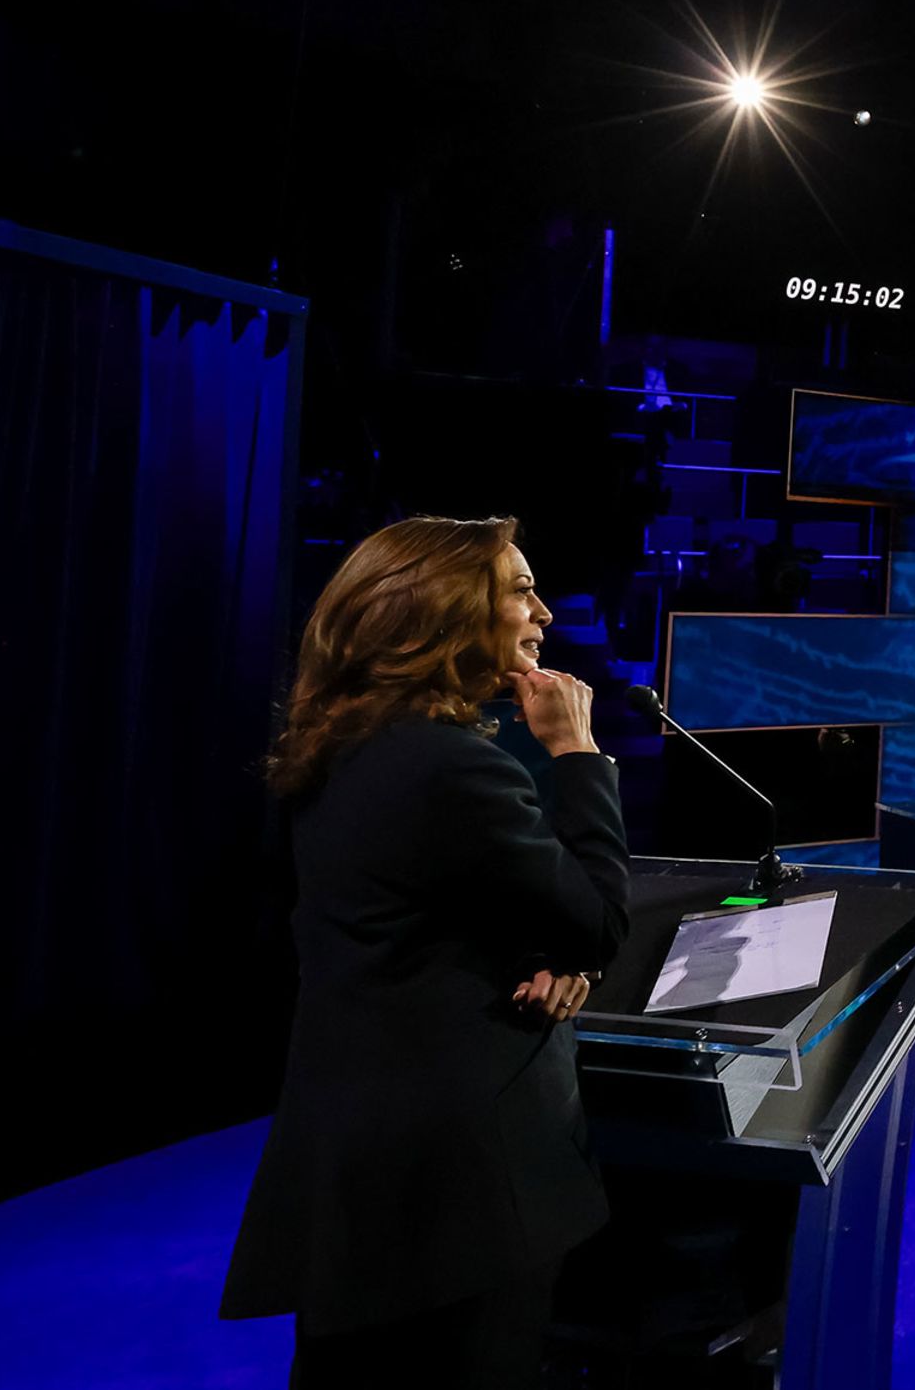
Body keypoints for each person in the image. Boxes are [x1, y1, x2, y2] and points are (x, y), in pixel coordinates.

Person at [222, 516, 632, 1389]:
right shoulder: (454, 768)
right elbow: (596, 920)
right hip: (459, 1192)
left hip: (362, 1167)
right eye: (521, 589)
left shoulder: (342, 742)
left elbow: (427, 914)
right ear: (446, 613)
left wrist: (557, 956)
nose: (545, 613)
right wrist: (578, 752)